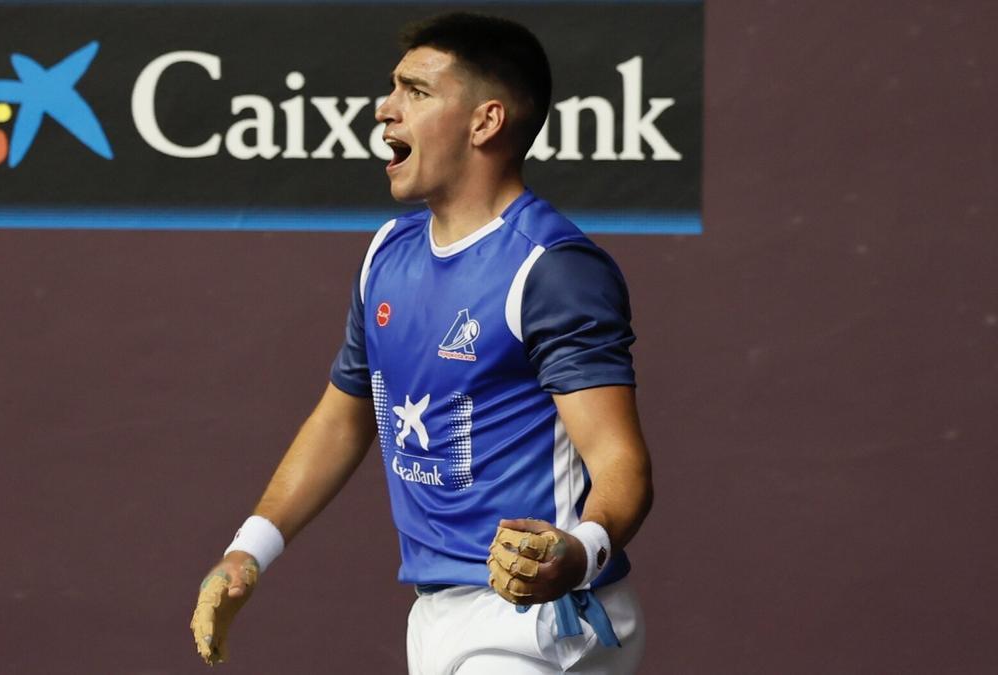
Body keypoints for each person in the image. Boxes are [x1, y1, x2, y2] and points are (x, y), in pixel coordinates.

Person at [190, 12, 653, 674]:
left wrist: (576, 551)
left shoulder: (549, 268)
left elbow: (620, 458)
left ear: (485, 121)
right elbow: (341, 417)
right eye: (392, 88)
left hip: (540, 623)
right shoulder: (388, 251)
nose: (384, 109)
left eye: (416, 91)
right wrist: (248, 551)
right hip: (435, 615)